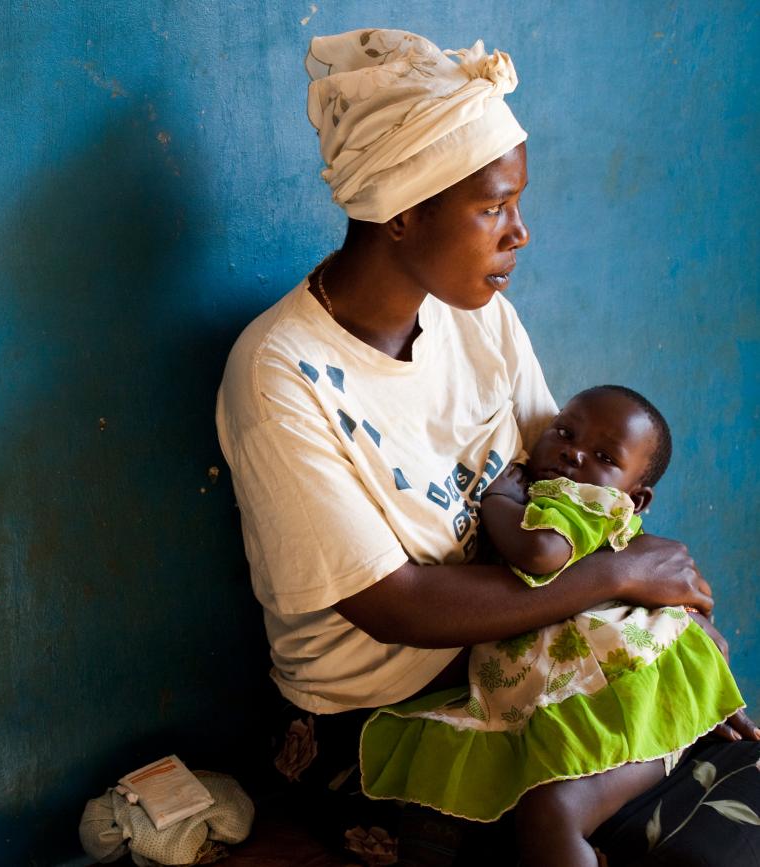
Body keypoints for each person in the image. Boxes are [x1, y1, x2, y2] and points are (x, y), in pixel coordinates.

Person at [216, 28, 760, 865]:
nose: (520, 234)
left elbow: (577, 497)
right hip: (378, 720)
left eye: (518, 203)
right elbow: (392, 603)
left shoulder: (480, 319)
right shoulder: (280, 373)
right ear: (403, 211)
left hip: (522, 657)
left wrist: (659, 642)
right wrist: (619, 575)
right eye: (494, 206)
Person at [359, 385, 746, 867]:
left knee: (554, 810)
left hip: (628, 698)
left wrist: (496, 497)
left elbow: (540, 554)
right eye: (564, 431)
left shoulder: (588, 503)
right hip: (576, 690)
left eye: (603, 455)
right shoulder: (552, 497)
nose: (573, 452)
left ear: (635, 497)